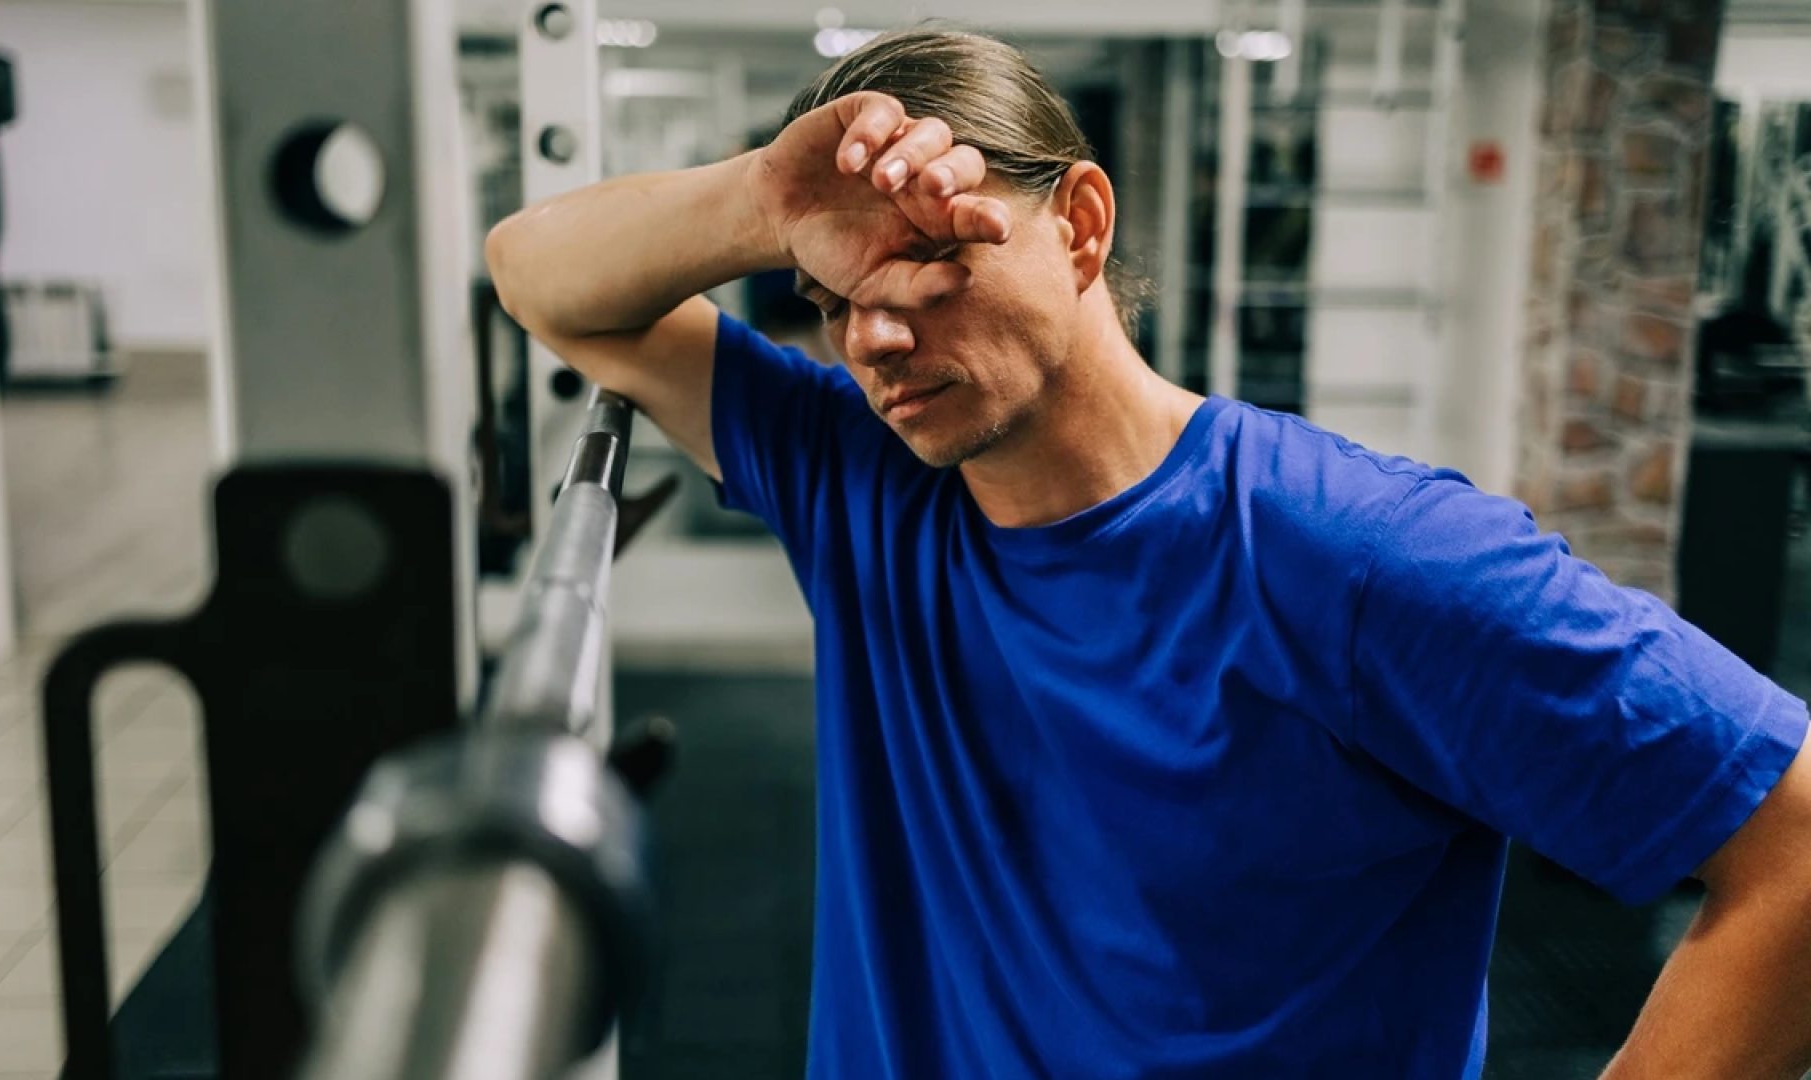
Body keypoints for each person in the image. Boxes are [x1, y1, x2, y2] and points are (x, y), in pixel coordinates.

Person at [487, 27, 1811, 1080]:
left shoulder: (1357, 556)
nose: (876, 336)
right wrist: (766, 192)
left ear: (1080, 226)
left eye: (929, 260)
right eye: (835, 302)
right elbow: (536, 275)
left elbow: (1798, 844)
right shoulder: (865, 484)